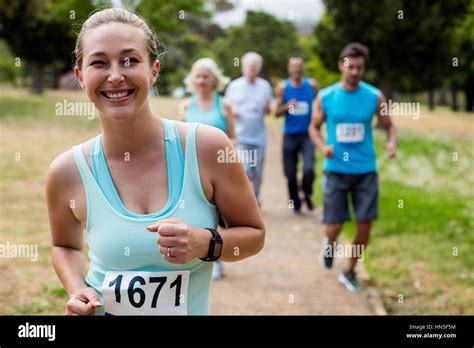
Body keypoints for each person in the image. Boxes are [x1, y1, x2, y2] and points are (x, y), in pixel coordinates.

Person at [46, 8, 265, 316]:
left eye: (130, 60)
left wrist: (204, 243)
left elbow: (254, 236)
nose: (115, 75)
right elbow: (64, 246)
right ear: (81, 77)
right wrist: (76, 288)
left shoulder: (207, 147)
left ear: (154, 70)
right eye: (99, 62)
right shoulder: (66, 171)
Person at [308, 43, 397, 292]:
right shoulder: (326, 97)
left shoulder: (374, 96)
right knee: (335, 224)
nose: (355, 72)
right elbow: (313, 127)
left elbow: (389, 125)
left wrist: (391, 142)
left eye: (360, 67)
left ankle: (349, 271)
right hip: (336, 168)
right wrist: (321, 146)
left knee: (364, 225)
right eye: (351, 67)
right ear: (341, 66)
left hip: (365, 170)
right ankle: (329, 243)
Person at [181, 57, 235, 280]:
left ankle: (218, 257)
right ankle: (195, 256)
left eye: (206, 76)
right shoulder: (185, 105)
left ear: (214, 80)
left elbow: (233, 137)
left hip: (221, 170)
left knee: (220, 217)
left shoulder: (224, 105)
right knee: (198, 214)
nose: (202, 80)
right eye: (199, 76)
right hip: (193, 170)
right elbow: (181, 138)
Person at [225, 52, 273, 207]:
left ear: (258, 69)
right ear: (244, 67)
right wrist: (233, 111)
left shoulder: (264, 86)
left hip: (259, 137)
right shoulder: (234, 86)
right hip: (241, 137)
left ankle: (256, 196)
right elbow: (227, 108)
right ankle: (248, 200)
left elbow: (269, 111)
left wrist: (266, 107)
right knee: (245, 170)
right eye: (249, 66)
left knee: (257, 173)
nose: (252, 69)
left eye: (255, 66)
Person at [275, 56, 319, 215]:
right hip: (290, 135)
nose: (297, 69)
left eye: (299, 66)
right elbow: (276, 113)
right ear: (289, 68)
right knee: (290, 173)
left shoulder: (312, 85)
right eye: (293, 66)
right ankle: (296, 203)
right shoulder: (283, 87)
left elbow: (319, 105)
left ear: (302, 68)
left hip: (308, 135)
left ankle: (307, 194)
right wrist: (287, 106)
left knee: (309, 170)